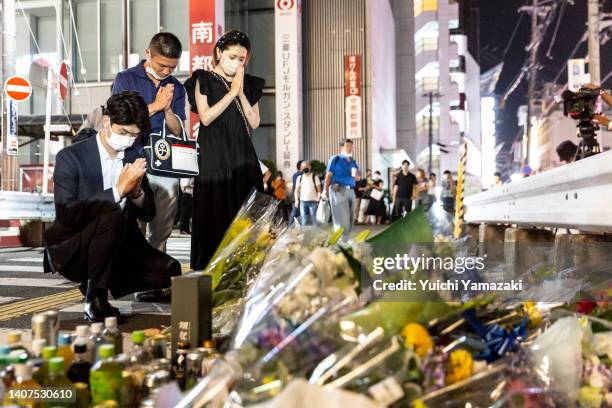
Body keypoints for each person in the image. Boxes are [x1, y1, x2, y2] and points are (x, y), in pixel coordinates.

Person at [43, 92, 181, 322]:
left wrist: (136, 192)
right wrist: (118, 190)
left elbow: (148, 213)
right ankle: (96, 298)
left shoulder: (133, 156)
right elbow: (66, 213)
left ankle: (104, 275)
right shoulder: (71, 156)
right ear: (107, 122)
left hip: (118, 243)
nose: (128, 139)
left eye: (134, 135)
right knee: (112, 214)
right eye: (123, 132)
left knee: (170, 270)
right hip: (76, 244)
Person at [184, 30, 265, 270]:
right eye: (232, 56)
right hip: (214, 155)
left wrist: (240, 91)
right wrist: (231, 93)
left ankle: (244, 268)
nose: (237, 62)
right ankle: (210, 269)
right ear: (219, 53)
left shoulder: (248, 83)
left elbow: (254, 122)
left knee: (246, 209)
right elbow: (206, 117)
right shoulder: (203, 79)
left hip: (242, 155)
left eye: (242, 59)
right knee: (215, 209)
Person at [111, 32, 186, 254]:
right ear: (148, 54)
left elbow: (177, 129)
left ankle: (156, 275)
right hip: (132, 156)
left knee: (163, 224)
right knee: (134, 221)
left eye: (172, 67)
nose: (166, 71)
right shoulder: (126, 78)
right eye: (162, 65)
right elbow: (120, 119)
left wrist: (169, 109)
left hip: (165, 160)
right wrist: (156, 105)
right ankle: (132, 274)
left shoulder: (176, 87)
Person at [323, 139, 359, 235]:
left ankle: (346, 241)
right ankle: (340, 242)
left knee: (350, 219)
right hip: (338, 189)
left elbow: (357, 178)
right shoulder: (335, 158)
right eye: (347, 145)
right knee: (341, 219)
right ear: (342, 147)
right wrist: (324, 191)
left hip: (351, 190)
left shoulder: (353, 161)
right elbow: (329, 175)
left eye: (351, 145)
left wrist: (356, 176)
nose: (350, 147)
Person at [295, 161, 321, 225]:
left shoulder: (315, 177)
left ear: (310, 167)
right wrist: (296, 200)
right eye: (303, 167)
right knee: (304, 222)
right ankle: (305, 234)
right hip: (303, 202)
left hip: (313, 202)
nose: (305, 168)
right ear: (301, 168)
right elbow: (296, 190)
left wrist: (318, 198)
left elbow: (319, 191)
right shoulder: (299, 178)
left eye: (306, 166)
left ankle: (315, 234)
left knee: (314, 221)